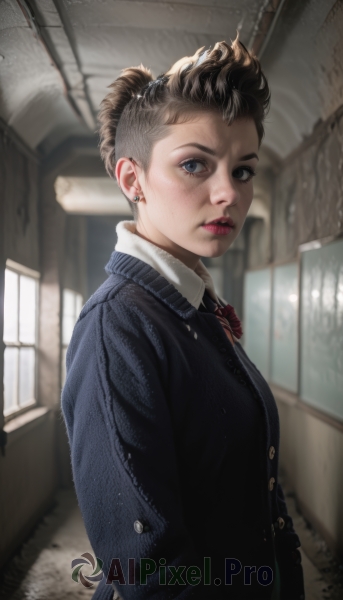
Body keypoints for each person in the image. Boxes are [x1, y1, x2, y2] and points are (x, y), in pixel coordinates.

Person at [61, 36, 305, 600]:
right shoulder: (117, 328)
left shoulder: (193, 306)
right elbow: (152, 574)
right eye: (195, 164)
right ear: (132, 179)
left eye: (243, 171)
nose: (228, 194)